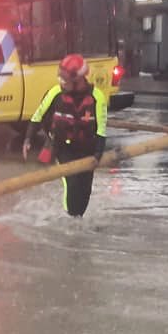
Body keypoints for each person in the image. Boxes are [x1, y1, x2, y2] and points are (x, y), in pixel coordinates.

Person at [24, 54, 109, 217]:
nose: (61, 82)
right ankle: (68, 218)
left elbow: (101, 129)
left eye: (65, 79)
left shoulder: (97, 97)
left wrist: (98, 154)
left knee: (84, 192)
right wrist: (28, 139)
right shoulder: (55, 93)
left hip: (87, 150)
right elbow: (37, 116)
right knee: (72, 184)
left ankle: (78, 219)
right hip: (62, 148)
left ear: (78, 80)